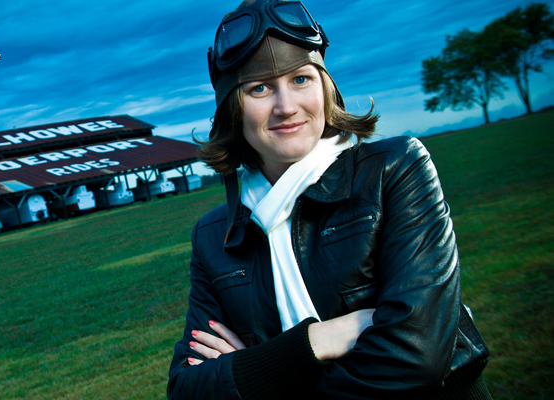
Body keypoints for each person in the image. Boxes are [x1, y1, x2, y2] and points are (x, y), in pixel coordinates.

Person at [167, 1, 491, 399]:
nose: (287, 107)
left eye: (301, 79)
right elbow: (187, 388)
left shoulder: (394, 169)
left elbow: (415, 356)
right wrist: (319, 340)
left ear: (325, 85)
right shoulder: (214, 237)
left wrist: (261, 370)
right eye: (260, 88)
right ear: (232, 107)